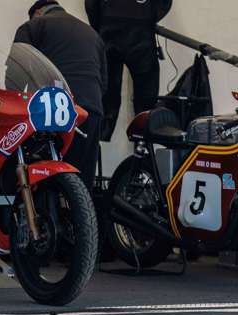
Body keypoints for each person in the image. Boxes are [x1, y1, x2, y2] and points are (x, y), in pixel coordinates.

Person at [14, 0, 107, 189]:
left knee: (45, 172)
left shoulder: (34, 25)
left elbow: (16, 71)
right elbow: (105, 81)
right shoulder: (92, 34)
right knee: (83, 180)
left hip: (55, 109)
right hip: (92, 109)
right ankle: (84, 217)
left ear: (38, 12)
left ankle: (43, 215)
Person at [85, 0, 173, 141]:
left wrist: (101, 24)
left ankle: (101, 137)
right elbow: (164, 3)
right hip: (141, 33)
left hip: (109, 31)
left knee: (107, 95)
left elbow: (91, 5)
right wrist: (148, 17)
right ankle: (144, 141)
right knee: (146, 99)